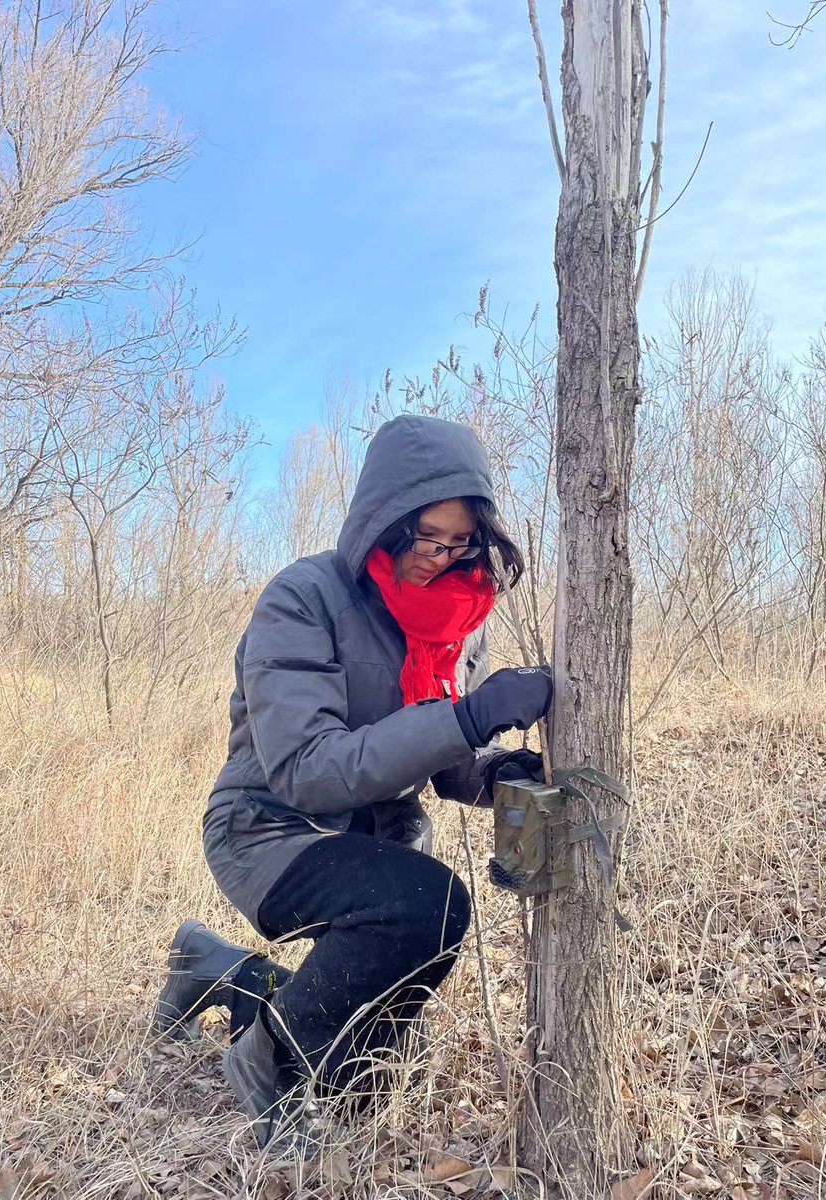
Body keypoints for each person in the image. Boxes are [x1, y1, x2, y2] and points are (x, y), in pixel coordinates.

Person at [153, 414, 552, 1152]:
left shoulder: (457, 621)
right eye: (424, 537)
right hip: (269, 827)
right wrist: (466, 717)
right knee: (429, 906)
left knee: (358, 1085)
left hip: (374, 835)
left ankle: (220, 972)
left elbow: (444, 765)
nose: (438, 557)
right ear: (383, 517)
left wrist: (498, 769)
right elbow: (307, 768)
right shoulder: (303, 598)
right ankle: (269, 1062)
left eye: (458, 542)